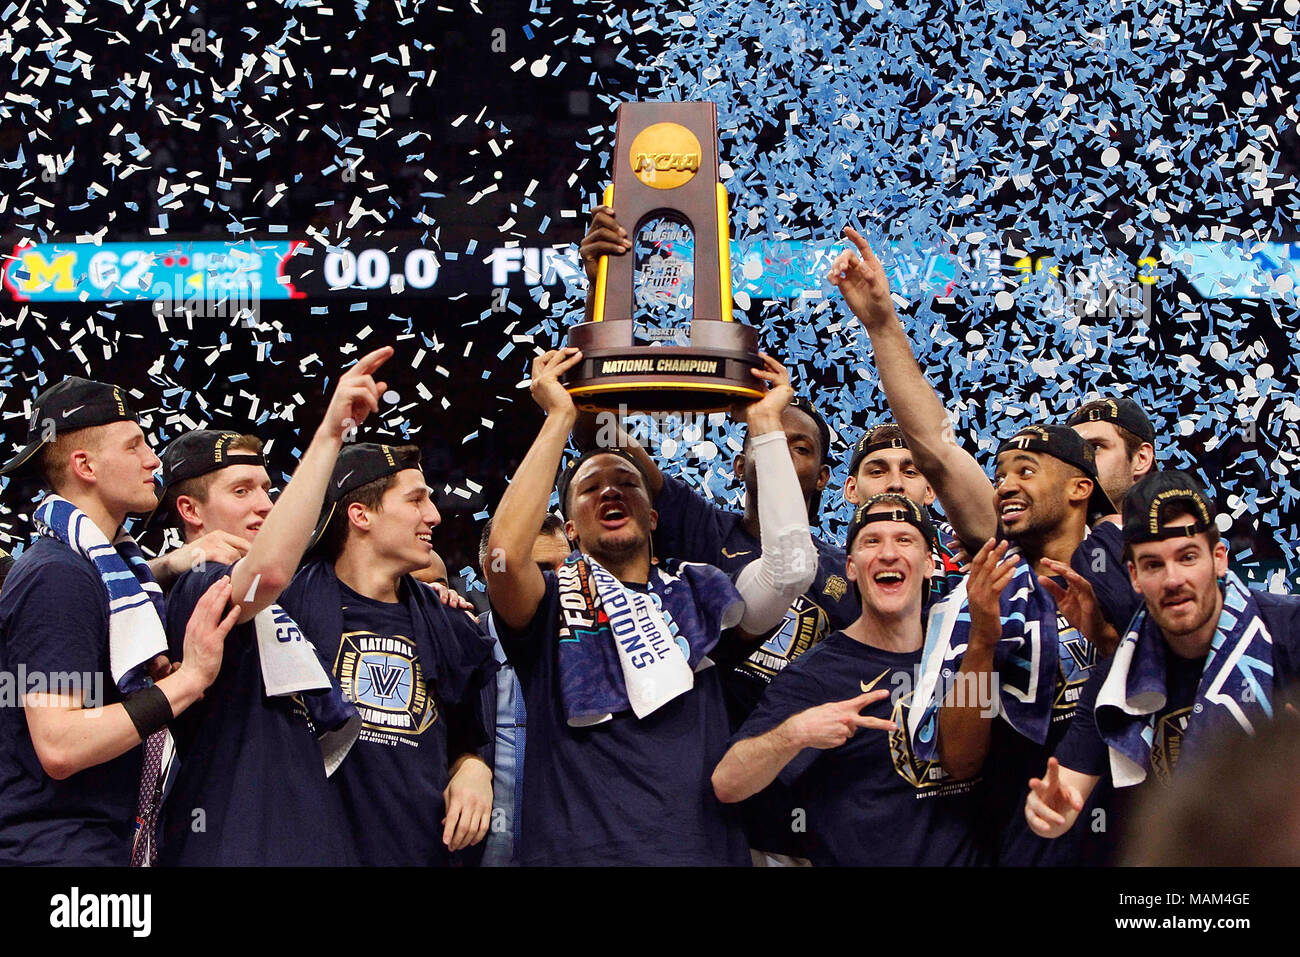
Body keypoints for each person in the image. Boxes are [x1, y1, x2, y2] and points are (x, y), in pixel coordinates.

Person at [484, 347, 814, 865]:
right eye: (589, 488)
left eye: (627, 483)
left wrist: (767, 425)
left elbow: (792, 568)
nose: (610, 491)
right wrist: (559, 417)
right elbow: (503, 556)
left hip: (701, 853)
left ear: (654, 517)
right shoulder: (546, 606)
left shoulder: (702, 595)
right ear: (569, 529)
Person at [149, 347, 392, 865]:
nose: (265, 503)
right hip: (231, 842)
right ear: (190, 510)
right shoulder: (196, 584)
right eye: (242, 490)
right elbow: (269, 573)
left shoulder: (283, 599)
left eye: (266, 487)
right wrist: (330, 436)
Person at [0, 377, 239, 865]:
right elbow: (61, 745)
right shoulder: (55, 577)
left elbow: (99, 592)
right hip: (53, 854)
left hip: (89, 844)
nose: (153, 460)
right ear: (84, 465)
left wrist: (172, 563)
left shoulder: (96, 570)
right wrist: (189, 681)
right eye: (134, 446)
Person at [1025, 470, 1300, 845]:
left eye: (1187, 557)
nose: (1172, 579)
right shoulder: (1116, 681)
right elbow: (1064, 794)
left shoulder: (1289, 630)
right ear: (1135, 576)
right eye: (1154, 564)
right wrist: (1046, 812)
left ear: (1219, 559)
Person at [713, 494, 987, 865]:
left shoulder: (964, 647)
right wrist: (796, 733)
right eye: (871, 541)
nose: (888, 553)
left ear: (929, 565)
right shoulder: (819, 674)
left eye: (904, 540)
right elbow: (727, 783)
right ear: (852, 568)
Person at [278, 440, 497, 866]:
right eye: (416, 499)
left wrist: (475, 768)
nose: (433, 515)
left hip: (419, 853)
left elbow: (466, 738)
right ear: (361, 515)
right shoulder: (284, 612)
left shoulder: (448, 626)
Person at [920, 423, 1119, 865]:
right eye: (1000, 476)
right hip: (1029, 848)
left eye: (1025, 471)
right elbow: (959, 761)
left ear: (1080, 488)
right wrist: (983, 640)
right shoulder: (969, 600)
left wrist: (1107, 638)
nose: (1005, 486)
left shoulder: (1132, 572)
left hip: (1146, 839)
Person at [475, 512, 569, 867]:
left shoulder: (593, 655)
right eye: (543, 569)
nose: (560, 583)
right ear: (491, 571)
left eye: (567, 567)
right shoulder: (457, 647)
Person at [1065, 397, 1158, 635]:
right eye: (1073, 450)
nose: (1079, 460)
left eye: (1095, 447)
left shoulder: (1179, 543)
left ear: (1141, 459)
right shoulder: (1042, 542)